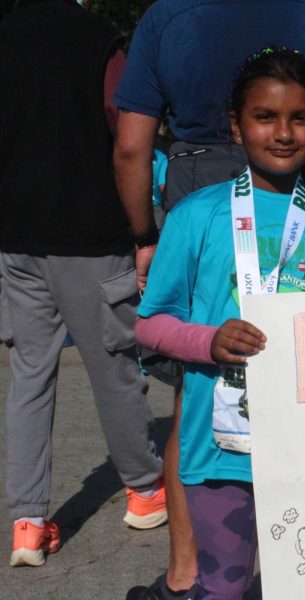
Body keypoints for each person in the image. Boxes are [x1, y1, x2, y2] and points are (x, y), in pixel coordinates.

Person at [113, 2, 305, 596]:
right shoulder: (195, 217)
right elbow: (151, 324)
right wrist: (208, 341)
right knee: (224, 588)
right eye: (264, 117)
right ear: (236, 126)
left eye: (301, 118)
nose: (284, 133)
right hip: (220, 456)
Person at [0, 0, 165, 568]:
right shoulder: (97, 37)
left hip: (17, 232)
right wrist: (143, 227)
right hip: (91, 228)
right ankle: (145, 489)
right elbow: (127, 132)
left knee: (29, 371)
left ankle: (26, 522)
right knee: (113, 365)